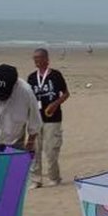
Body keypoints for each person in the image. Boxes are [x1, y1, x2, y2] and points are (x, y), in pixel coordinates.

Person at [27, 49, 70, 188]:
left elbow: (66, 93)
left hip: (53, 118)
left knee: (51, 149)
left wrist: (55, 104)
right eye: (34, 58)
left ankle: (54, 177)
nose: (36, 61)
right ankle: (36, 179)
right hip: (36, 118)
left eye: (39, 58)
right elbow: (28, 98)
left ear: (46, 59)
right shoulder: (32, 78)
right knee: (35, 150)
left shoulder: (56, 75)